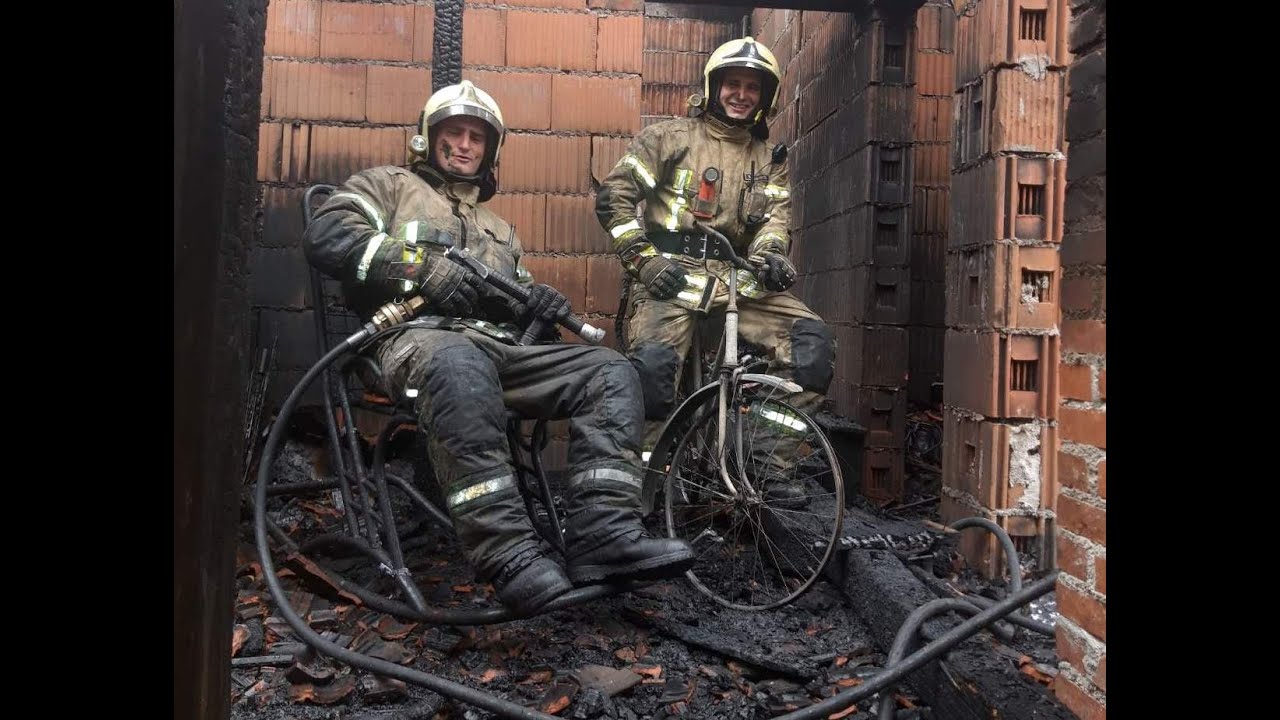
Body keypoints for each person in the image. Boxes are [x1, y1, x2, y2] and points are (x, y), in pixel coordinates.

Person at [304, 81, 694, 616]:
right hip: (413, 342)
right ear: (427, 138)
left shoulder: (498, 228)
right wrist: (418, 267)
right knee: (458, 365)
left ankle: (604, 535)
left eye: (476, 138)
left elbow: (515, 309)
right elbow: (327, 234)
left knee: (609, 371)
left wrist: (536, 304)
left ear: (490, 151)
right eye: (452, 133)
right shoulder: (386, 186)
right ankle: (507, 552)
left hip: (500, 352)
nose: (464, 145)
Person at [595, 38, 836, 503]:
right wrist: (643, 260)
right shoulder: (669, 138)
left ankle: (763, 462)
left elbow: (775, 221)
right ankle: (637, 496)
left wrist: (771, 255)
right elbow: (614, 198)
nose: (741, 94)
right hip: (670, 277)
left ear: (765, 98)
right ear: (713, 86)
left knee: (811, 344)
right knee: (654, 376)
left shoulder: (770, 160)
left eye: (752, 87)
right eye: (733, 84)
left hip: (737, 281)